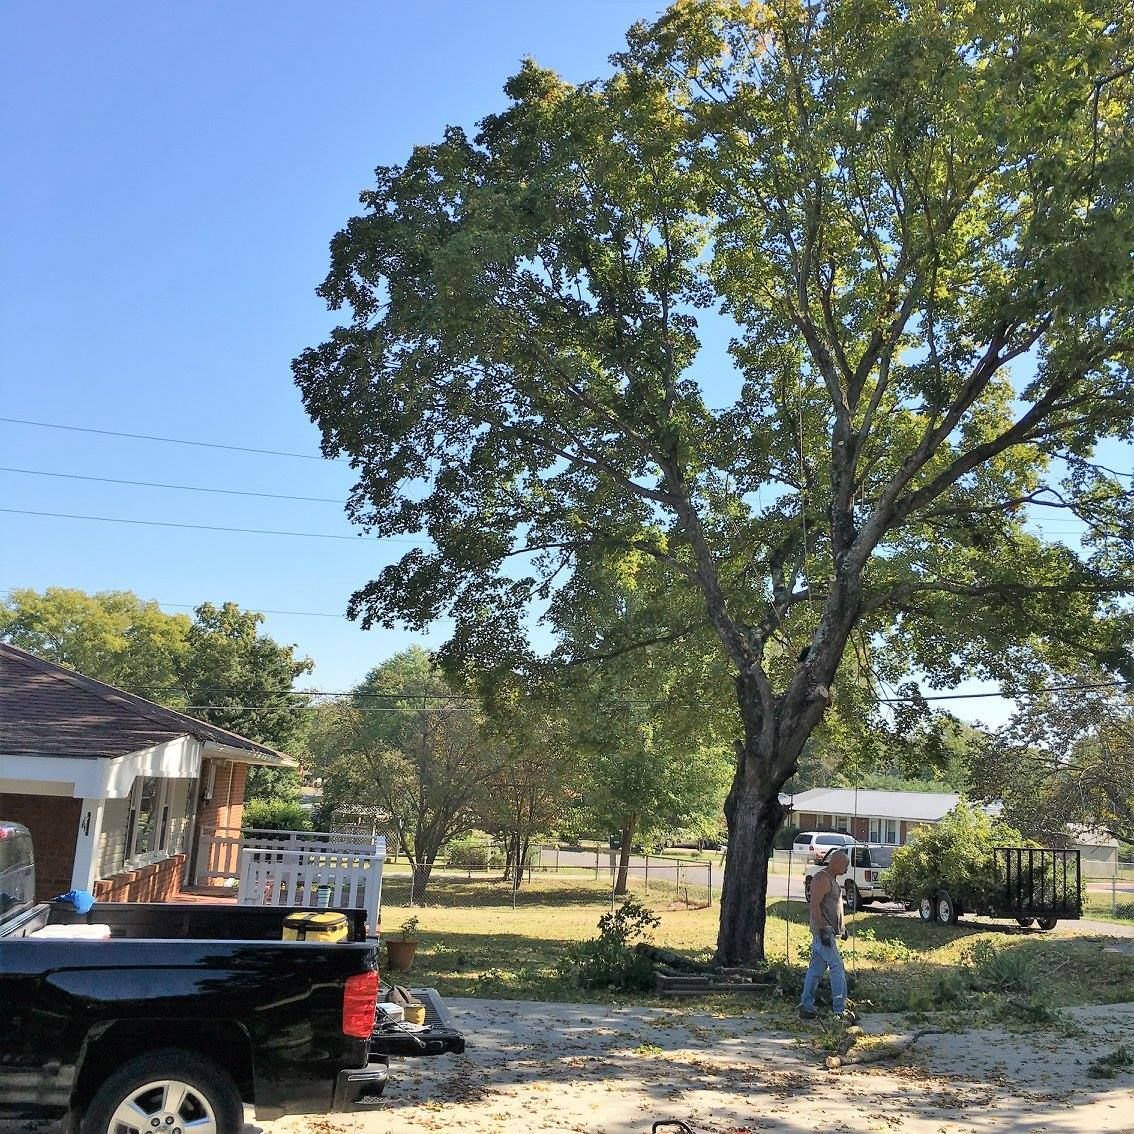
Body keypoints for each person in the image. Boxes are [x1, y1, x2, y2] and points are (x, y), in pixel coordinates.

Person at [799, 847, 855, 1022]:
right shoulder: (822, 878)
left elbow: (835, 906)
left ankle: (806, 1005)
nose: (847, 869)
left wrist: (842, 928)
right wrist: (823, 929)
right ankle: (840, 1009)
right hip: (824, 932)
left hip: (830, 931)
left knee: (815, 970)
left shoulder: (833, 880)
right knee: (837, 967)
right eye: (845, 865)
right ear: (836, 863)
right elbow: (814, 905)